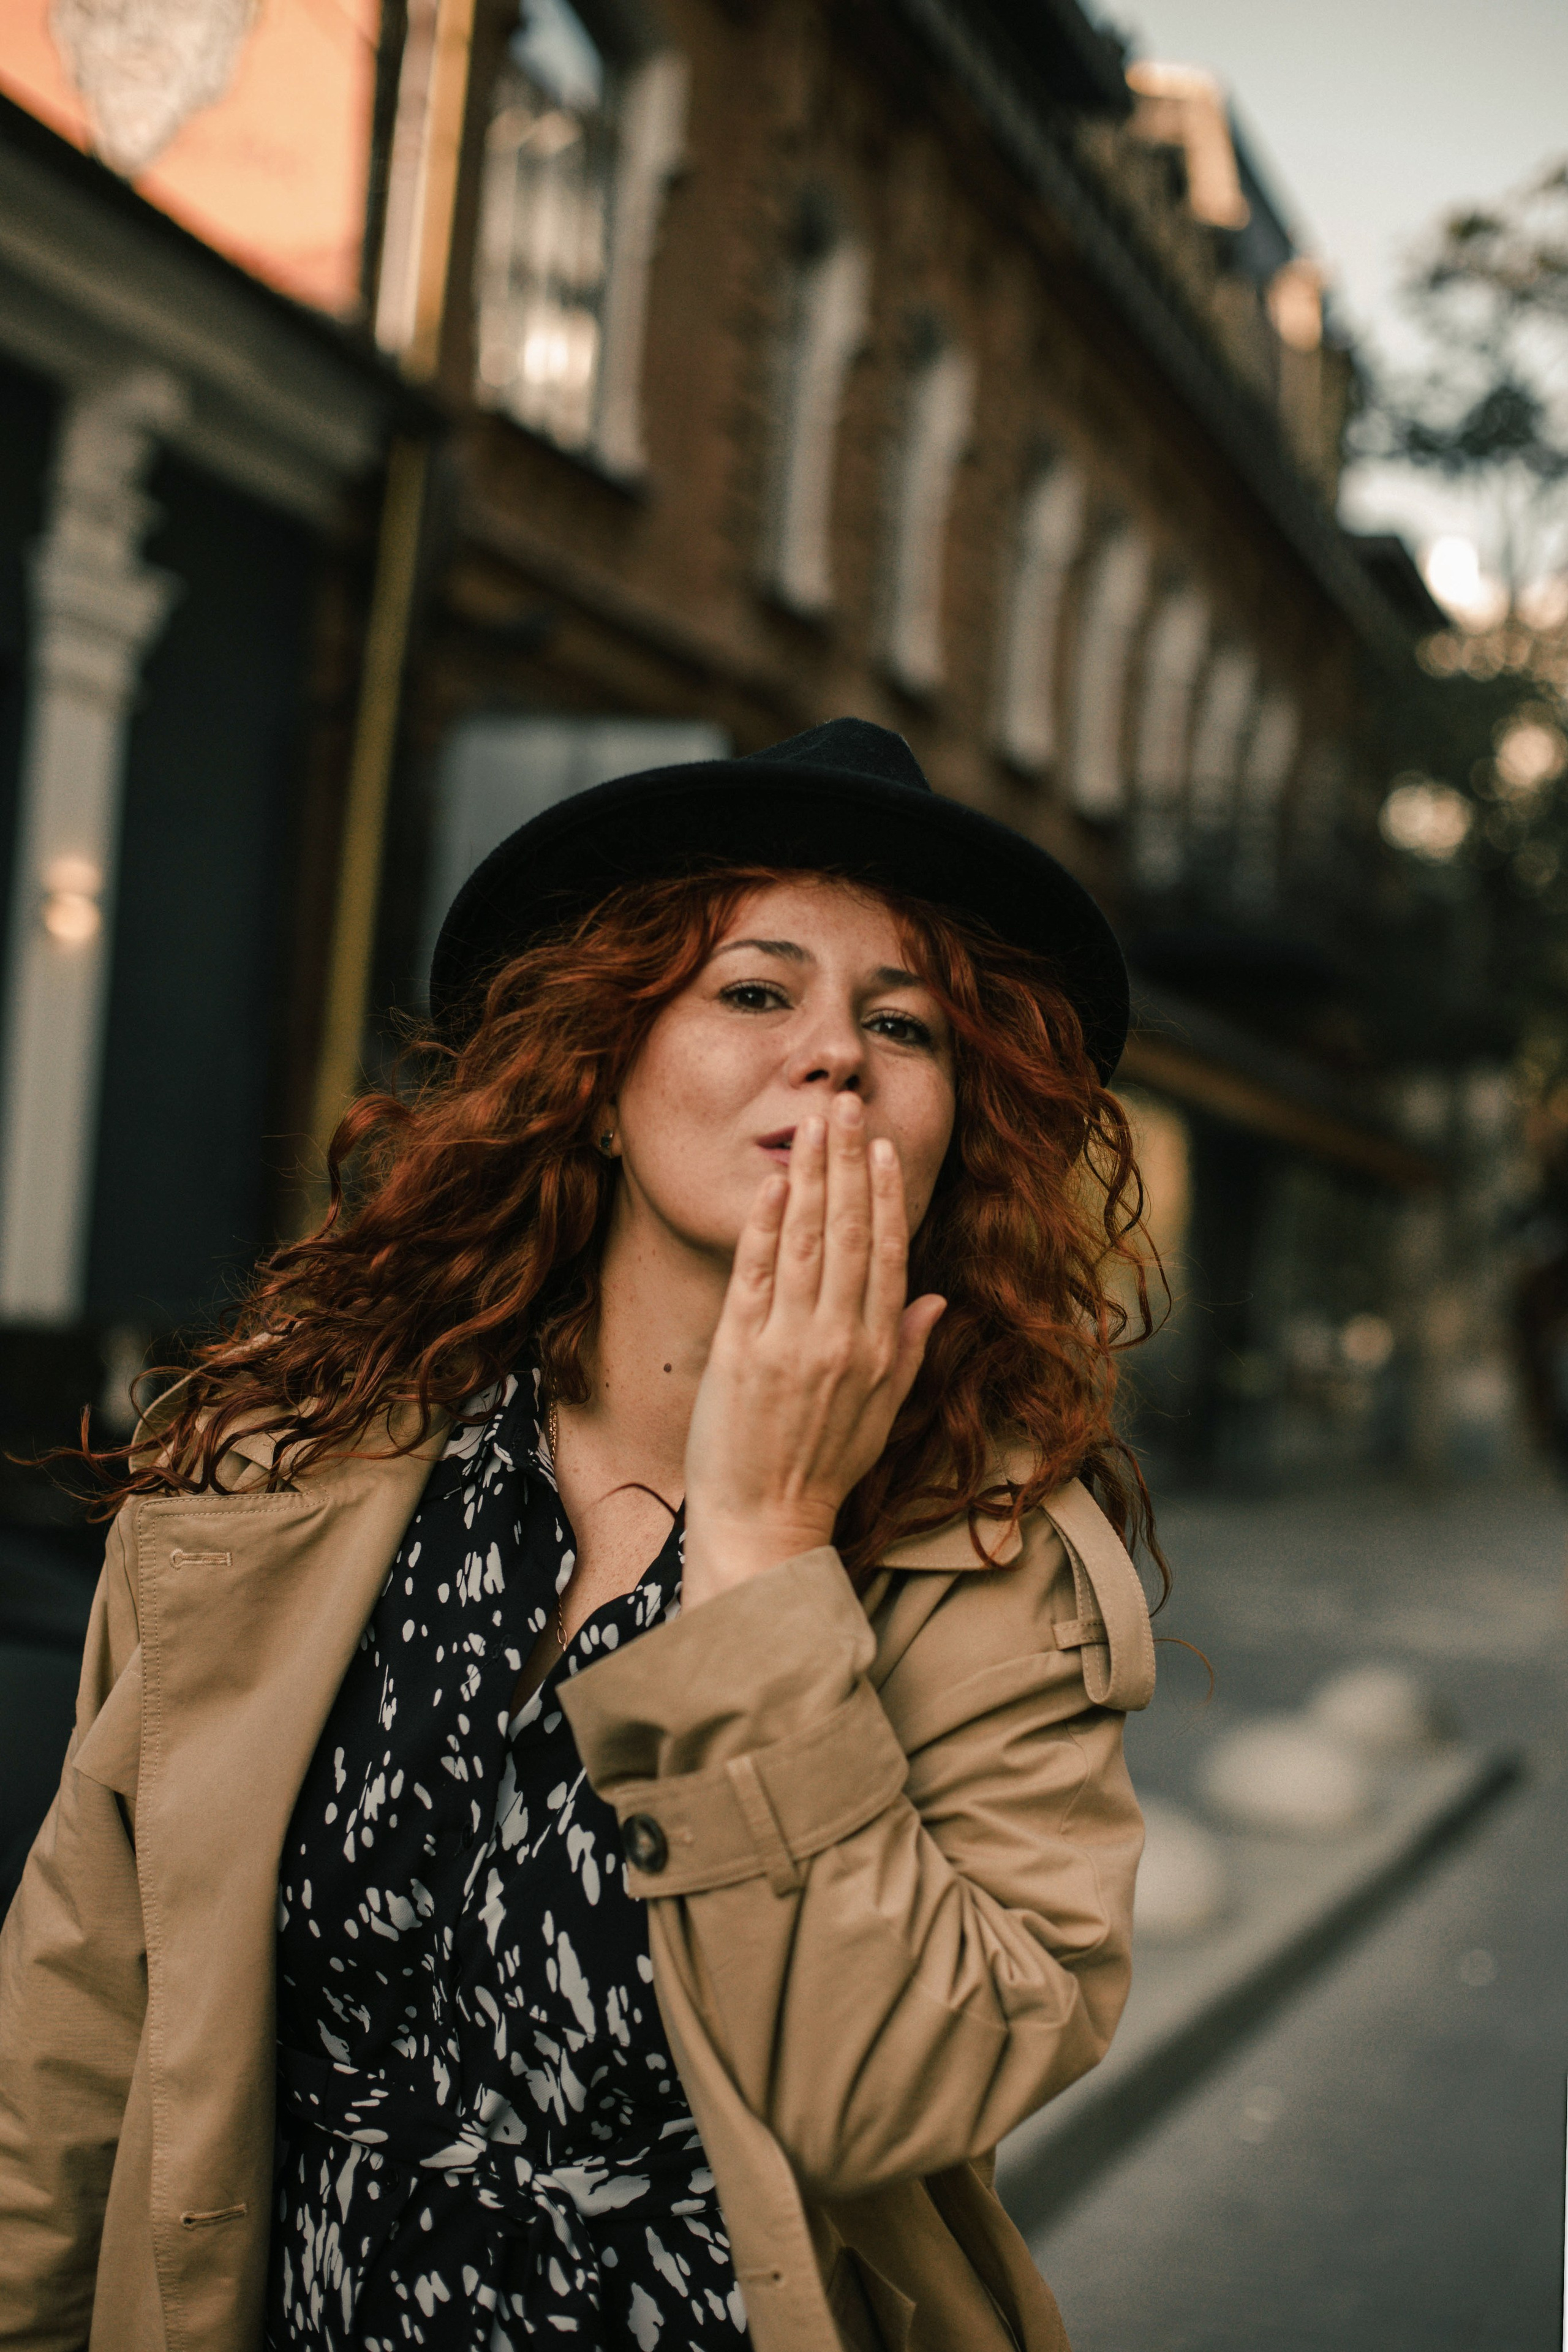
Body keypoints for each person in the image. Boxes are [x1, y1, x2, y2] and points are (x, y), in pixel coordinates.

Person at [0, 717, 1161, 2352]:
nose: (832, 1053)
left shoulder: (999, 1576)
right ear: (602, 1079)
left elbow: (895, 2093)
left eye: (903, 1026)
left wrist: (765, 1548)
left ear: (952, 1129)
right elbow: (75, 2015)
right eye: (756, 992)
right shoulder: (284, 1470)